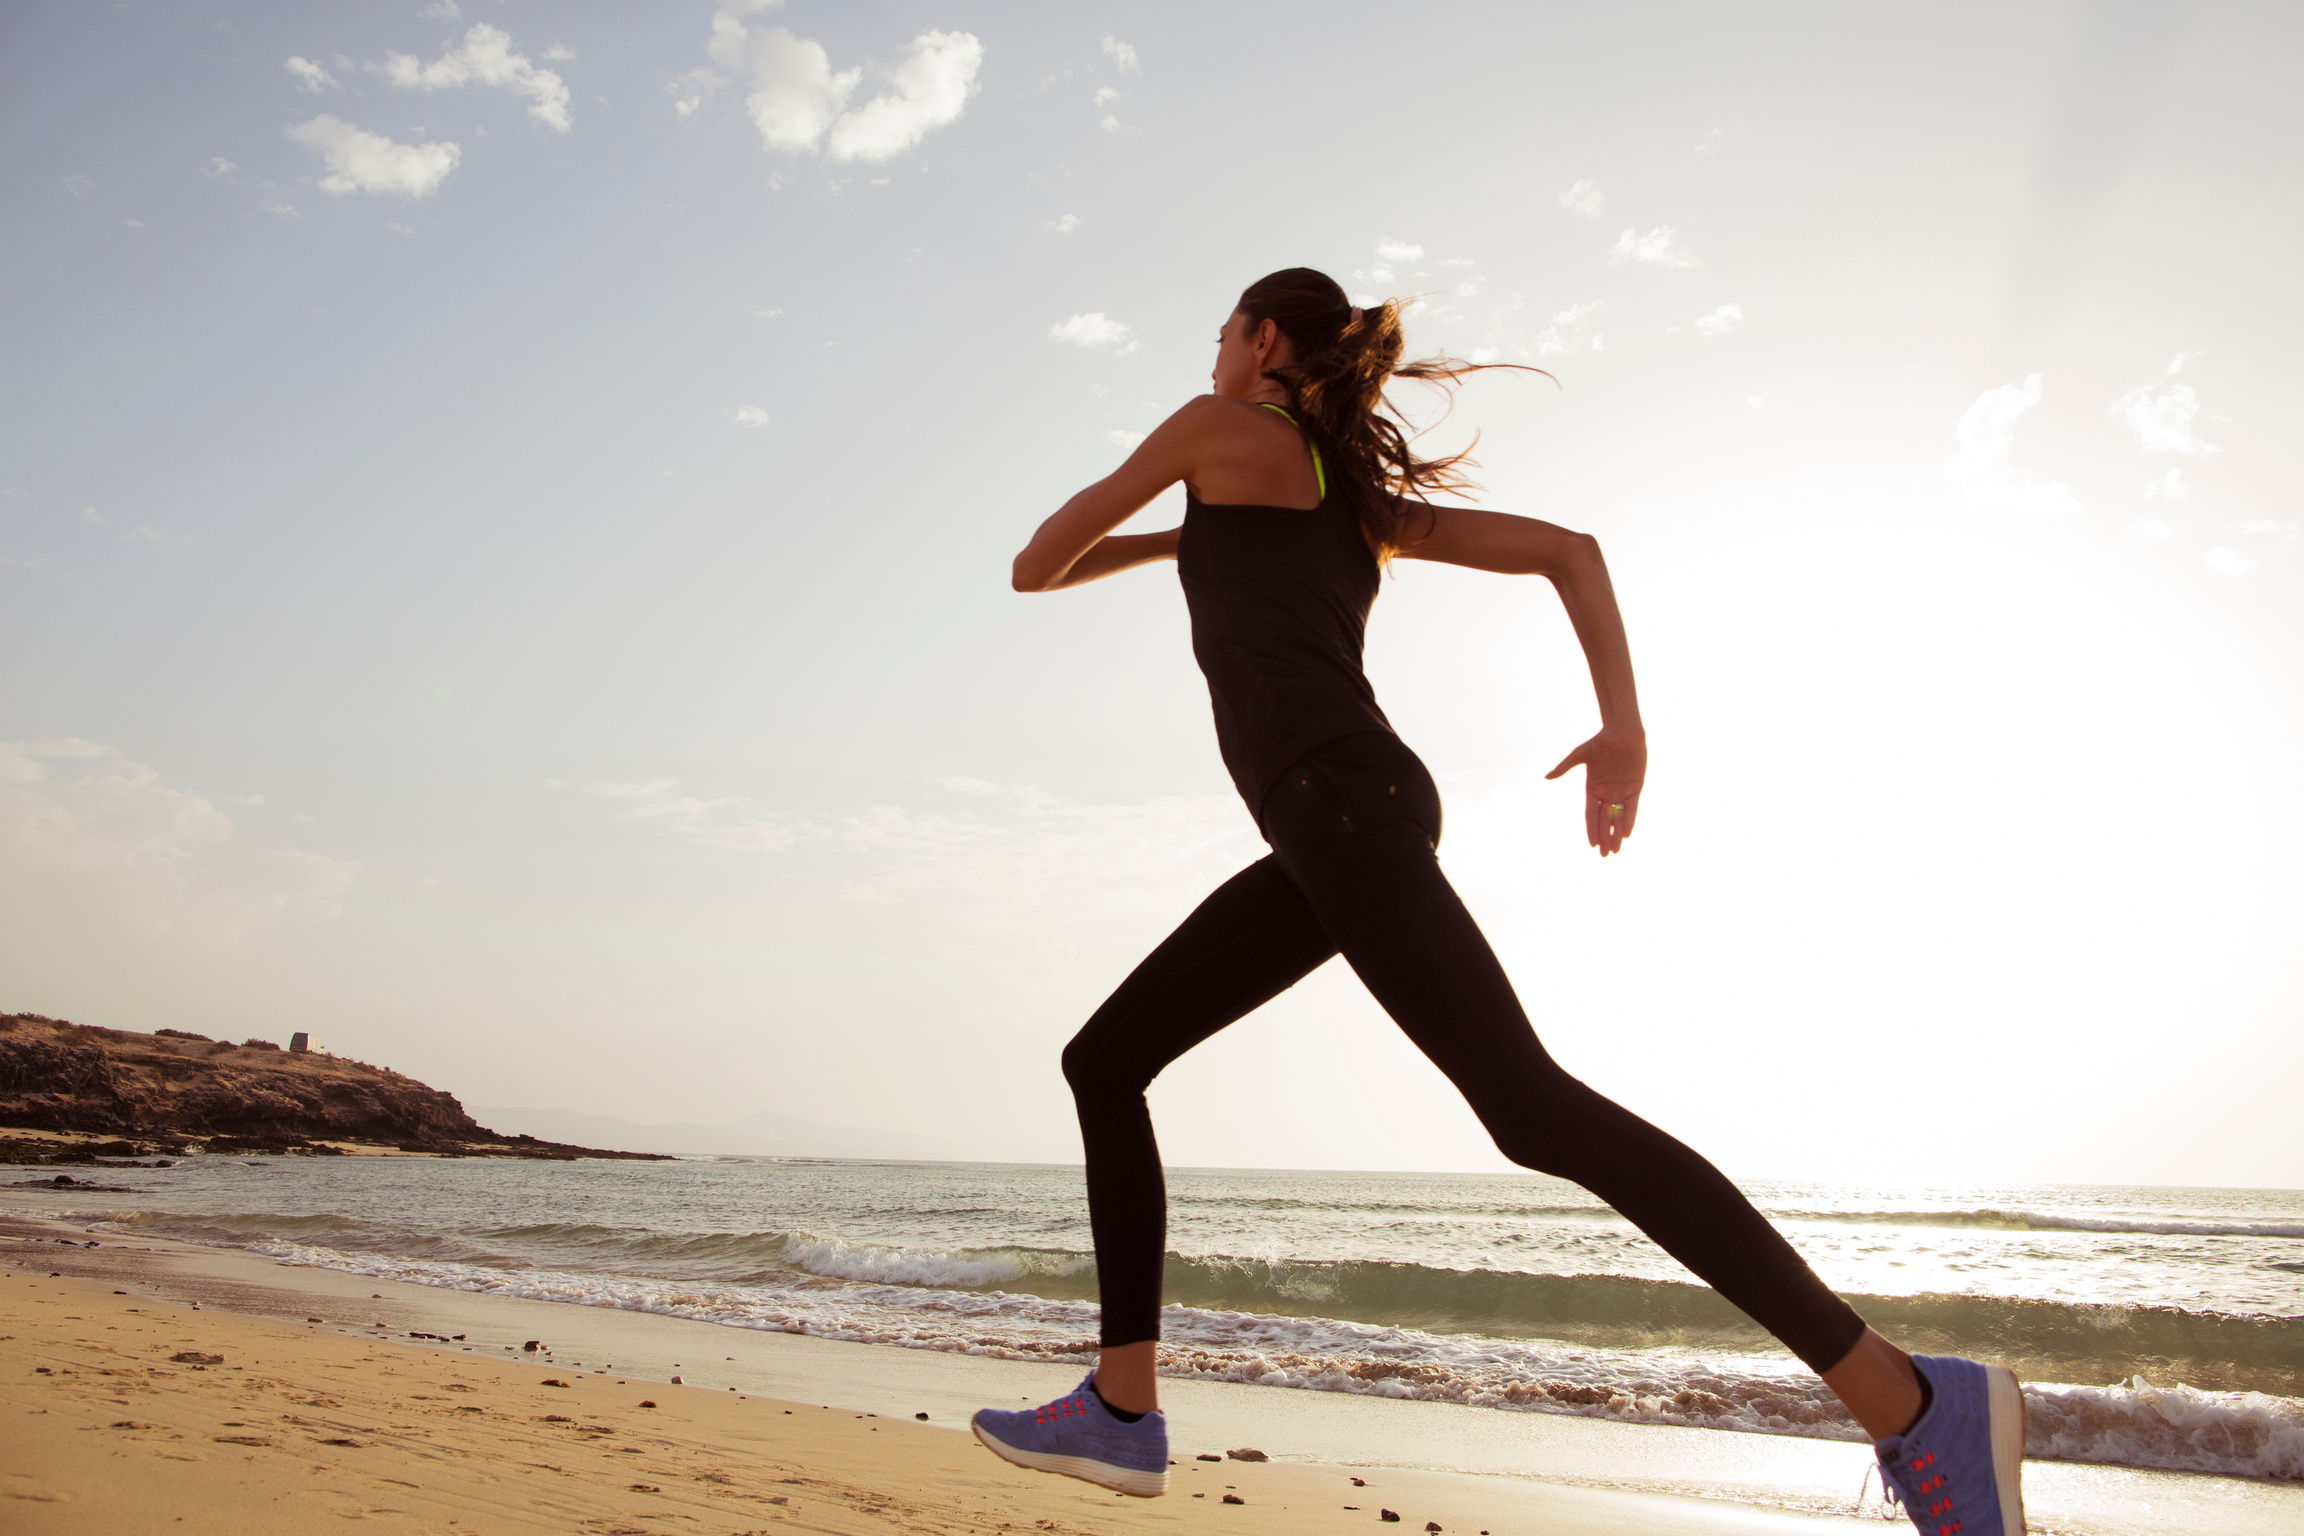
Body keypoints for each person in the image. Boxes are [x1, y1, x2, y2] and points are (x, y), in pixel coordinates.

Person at [968, 268, 2025, 1534]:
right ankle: (1123, 1410)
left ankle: (1912, 1401)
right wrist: (1624, 728)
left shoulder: (1217, 435)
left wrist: (1176, 525)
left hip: (1339, 810)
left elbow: (1037, 564)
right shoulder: (1356, 498)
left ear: (1259, 342)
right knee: (1109, 1058)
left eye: (1220, 334)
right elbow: (1570, 554)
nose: (1210, 357)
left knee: (1533, 1110)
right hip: (1348, 818)